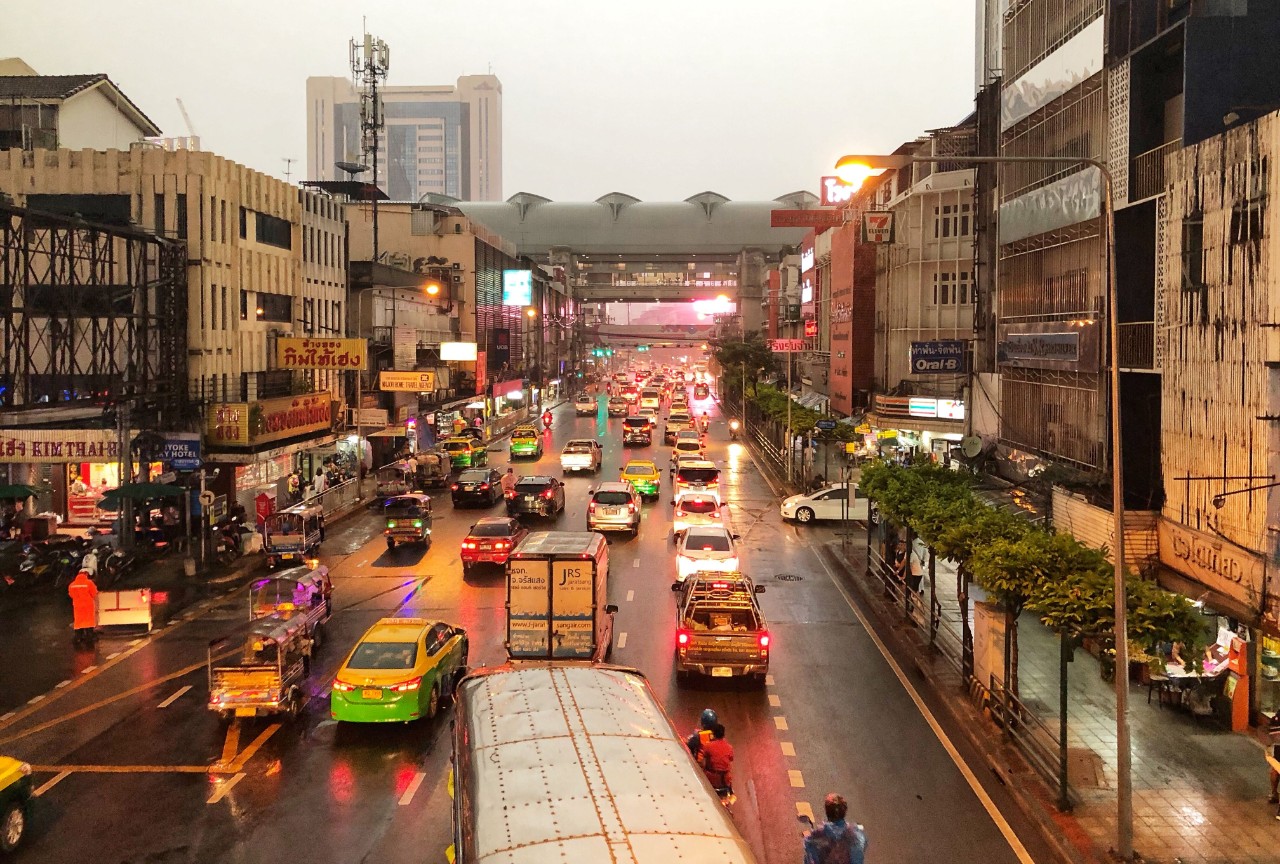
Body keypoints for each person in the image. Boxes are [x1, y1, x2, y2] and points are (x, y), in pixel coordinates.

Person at [803, 793, 867, 864]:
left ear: (827, 812)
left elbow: (809, 850)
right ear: (845, 812)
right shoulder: (856, 834)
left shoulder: (818, 834)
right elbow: (863, 846)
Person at [699, 723, 734, 793]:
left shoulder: (708, 746)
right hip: (725, 781)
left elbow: (701, 761)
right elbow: (730, 760)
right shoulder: (730, 748)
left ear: (713, 734)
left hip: (711, 779)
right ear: (723, 735)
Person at [68, 570, 99, 646]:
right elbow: (94, 594)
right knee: (88, 622)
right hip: (88, 606)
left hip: (77, 606)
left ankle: (78, 637)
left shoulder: (72, 584)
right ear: (86, 574)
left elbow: (71, 595)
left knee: (79, 622)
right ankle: (89, 637)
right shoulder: (89, 583)